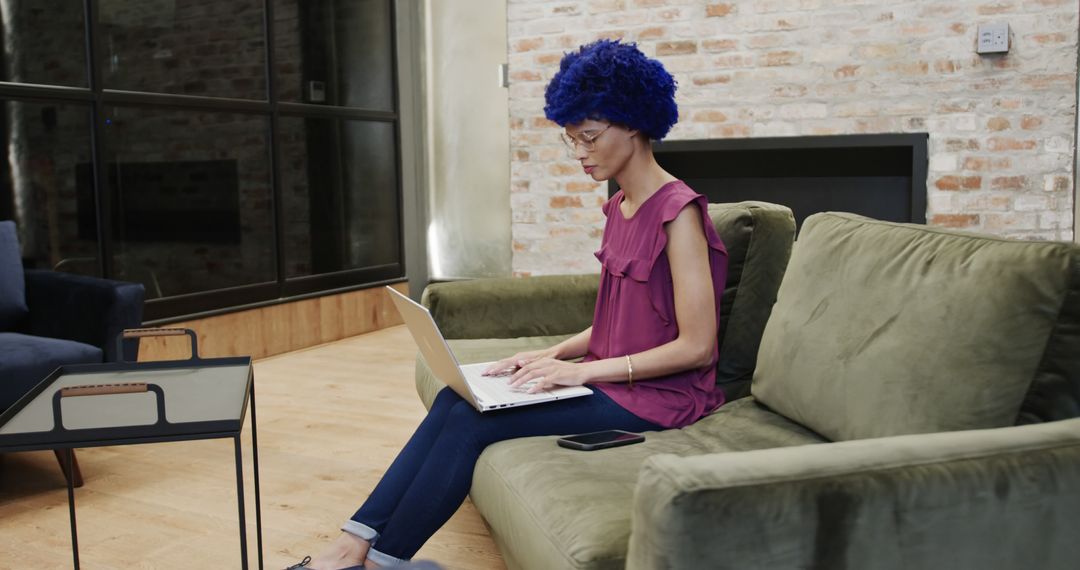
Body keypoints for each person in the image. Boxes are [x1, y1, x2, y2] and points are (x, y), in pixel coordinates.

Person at [289, 39, 728, 569]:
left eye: (589, 137)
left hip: (657, 398)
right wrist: (553, 355)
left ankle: (381, 562)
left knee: (475, 421)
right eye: (573, 141)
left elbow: (697, 347)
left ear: (632, 123)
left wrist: (580, 374)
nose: (581, 153)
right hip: (612, 378)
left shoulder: (677, 213)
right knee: (459, 398)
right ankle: (351, 546)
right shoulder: (619, 207)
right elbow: (619, 322)